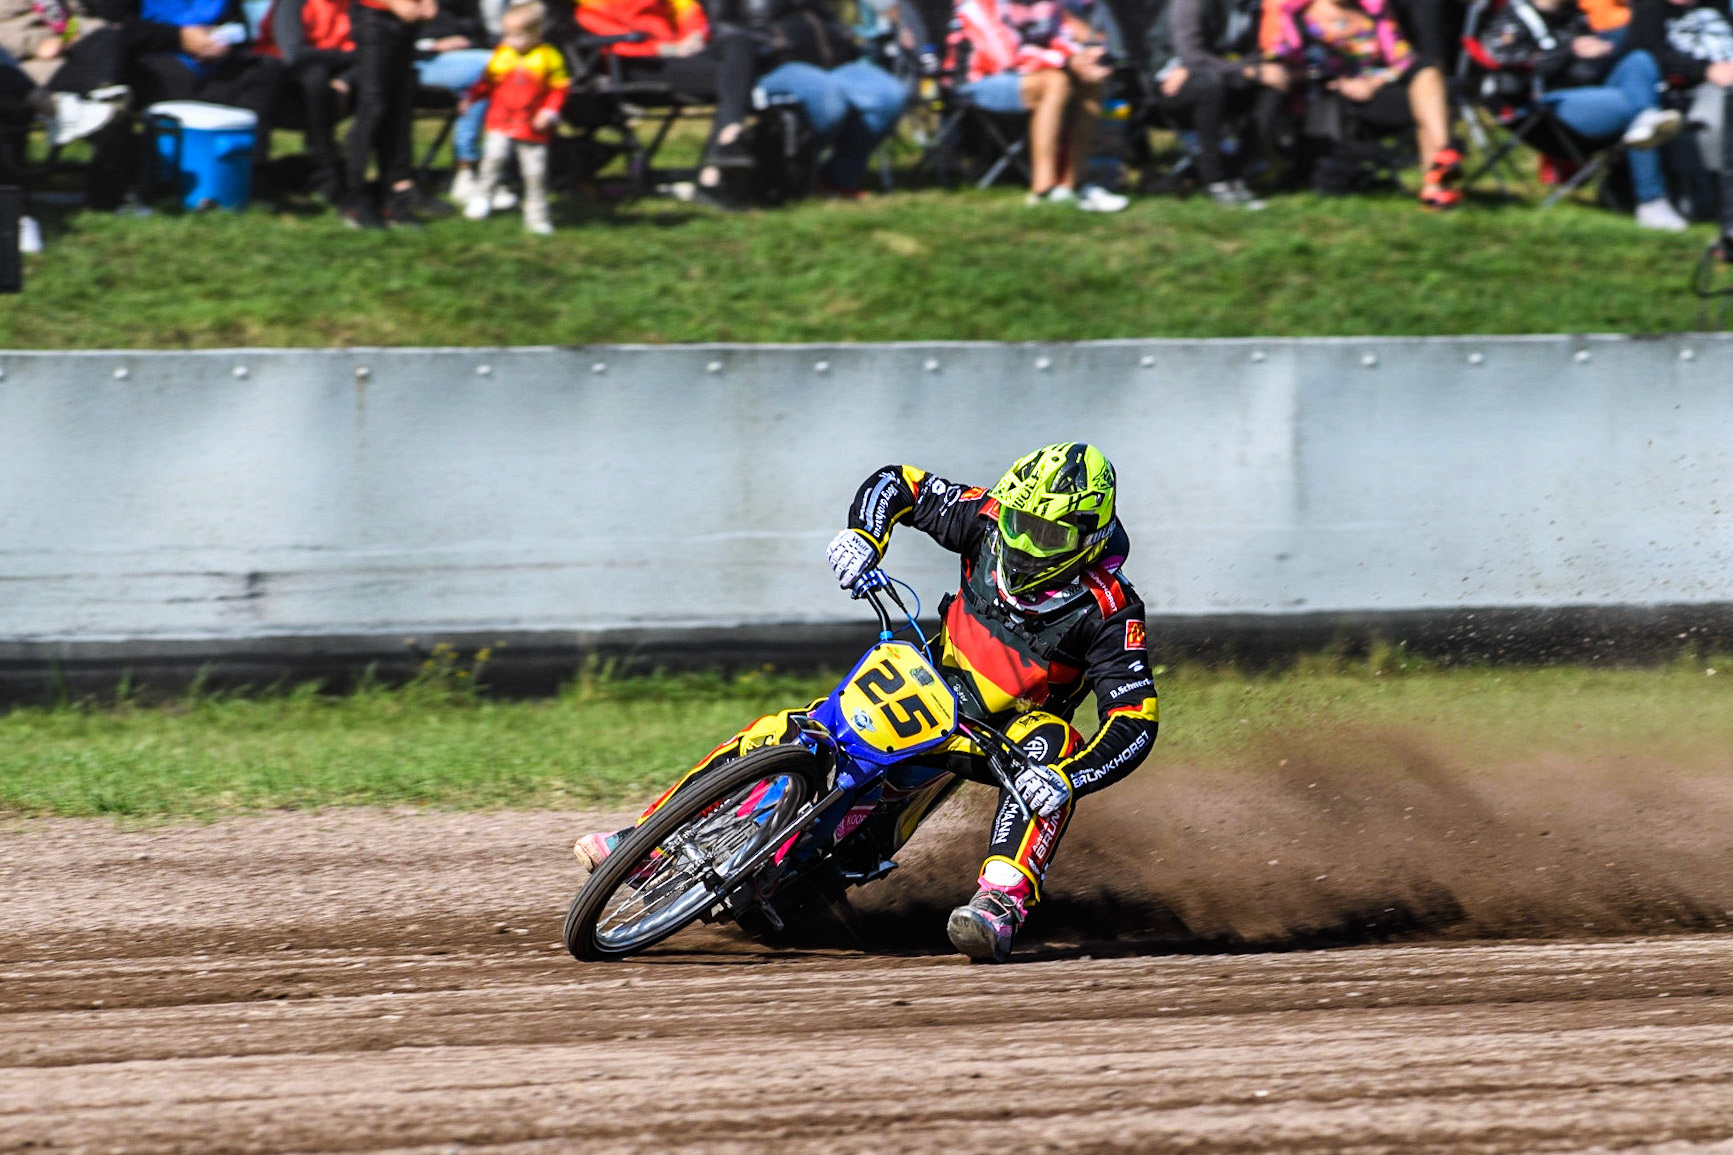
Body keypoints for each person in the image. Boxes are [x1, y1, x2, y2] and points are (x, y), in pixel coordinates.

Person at [572, 443, 1161, 964]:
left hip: (999, 735)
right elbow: (900, 483)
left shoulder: (1112, 611)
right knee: (786, 728)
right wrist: (863, 535)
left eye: (1048, 535)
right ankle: (644, 841)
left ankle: (1000, 903)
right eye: (1018, 522)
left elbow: (1134, 722)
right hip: (924, 676)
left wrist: (1069, 779)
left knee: (1054, 748)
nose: (1024, 543)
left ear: (1089, 536)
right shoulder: (986, 519)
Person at [1482, 0, 1688, 229]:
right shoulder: (1513, 16)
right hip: (1547, 106)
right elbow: (1505, 65)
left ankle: (1646, 119)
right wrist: (1569, 49)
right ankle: (1651, 201)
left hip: (1593, 93)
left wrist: (1604, 50)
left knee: (1639, 60)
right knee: (1639, 109)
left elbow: (1590, 64)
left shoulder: (1575, 14)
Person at [1261, 0, 1462, 207]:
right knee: (1431, 103)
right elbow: (1278, 68)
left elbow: (1404, 59)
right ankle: (1441, 167)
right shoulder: (1295, 16)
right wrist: (1335, 81)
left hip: (1376, 91)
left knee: (1428, 72)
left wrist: (1373, 82)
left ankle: (1440, 168)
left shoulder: (1374, 11)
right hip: (1331, 103)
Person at [950, 0, 1131, 210]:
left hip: (1030, 71)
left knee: (1090, 81)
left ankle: (1074, 184)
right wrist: (1067, 61)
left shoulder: (1048, 4)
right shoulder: (979, 5)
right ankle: (1043, 189)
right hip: (977, 80)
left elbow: (1058, 37)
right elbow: (1004, 58)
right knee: (1055, 82)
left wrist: (1082, 58)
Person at [575, 0, 758, 206]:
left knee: (739, 42)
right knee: (735, 78)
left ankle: (728, 139)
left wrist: (694, 36)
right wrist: (667, 49)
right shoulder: (589, 7)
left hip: (678, 55)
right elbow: (617, 43)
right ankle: (716, 167)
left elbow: (686, 8)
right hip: (638, 65)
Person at [718, 0, 907, 198]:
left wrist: (843, 34)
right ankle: (797, 172)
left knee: (889, 94)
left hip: (834, 64)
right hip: (775, 65)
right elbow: (722, 27)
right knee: (827, 96)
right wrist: (766, 42)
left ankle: (837, 178)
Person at [124, 0, 287, 174]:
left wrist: (222, 40)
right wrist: (179, 37)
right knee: (179, 77)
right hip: (154, 57)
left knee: (264, 69)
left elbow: (239, 27)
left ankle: (248, 170)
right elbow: (120, 28)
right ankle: (176, 173)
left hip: (213, 61)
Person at [1616, 0, 1733, 234]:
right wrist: (1706, 70)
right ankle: (1654, 199)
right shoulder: (1651, 9)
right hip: (1694, 91)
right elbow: (1643, 55)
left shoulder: (1717, 5)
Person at [1150, 0, 1282, 207]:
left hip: (1219, 72)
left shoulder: (1250, 5)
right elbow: (1190, 54)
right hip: (1172, 80)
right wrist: (1247, 71)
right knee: (1210, 84)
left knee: (1272, 85)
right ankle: (1215, 180)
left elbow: (1252, 53)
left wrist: (1262, 70)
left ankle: (1240, 174)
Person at [459, 0, 565, 232]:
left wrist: (549, 111)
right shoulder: (502, 54)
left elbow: (559, 88)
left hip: (532, 126)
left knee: (534, 172)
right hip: (501, 120)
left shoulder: (548, 57)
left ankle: (537, 216)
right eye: (506, 34)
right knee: (492, 158)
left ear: (536, 34)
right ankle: (482, 196)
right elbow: (486, 82)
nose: (509, 40)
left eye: (517, 35)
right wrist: (471, 98)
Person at [342, 0, 435, 228]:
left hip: (407, 22)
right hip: (374, 17)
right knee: (373, 107)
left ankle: (391, 199)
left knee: (399, 109)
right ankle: (355, 198)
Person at [258, 0, 356, 202]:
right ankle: (326, 170)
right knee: (315, 77)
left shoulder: (353, 6)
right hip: (277, 79)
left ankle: (343, 175)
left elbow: (367, 54)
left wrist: (345, 79)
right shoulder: (291, 4)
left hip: (333, 76)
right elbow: (294, 55)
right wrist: (347, 59)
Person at [411, 0, 498, 207]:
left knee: (505, 68)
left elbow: (478, 30)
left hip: (466, 58)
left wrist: (469, 42)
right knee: (491, 68)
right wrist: (433, 45)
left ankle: (489, 170)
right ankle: (467, 169)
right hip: (420, 61)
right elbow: (392, 37)